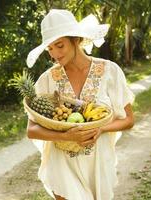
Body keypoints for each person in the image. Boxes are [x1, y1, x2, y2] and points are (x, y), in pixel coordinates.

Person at [25, 9, 135, 200]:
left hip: (97, 162)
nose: (54, 55)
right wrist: (65, 135)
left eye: (59, 46)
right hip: (61, 163)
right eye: (50, 48)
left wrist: (101, 129)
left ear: (76, 40)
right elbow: (32, 130)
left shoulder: (110, 71)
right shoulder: (47, 80)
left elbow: (129, 120)